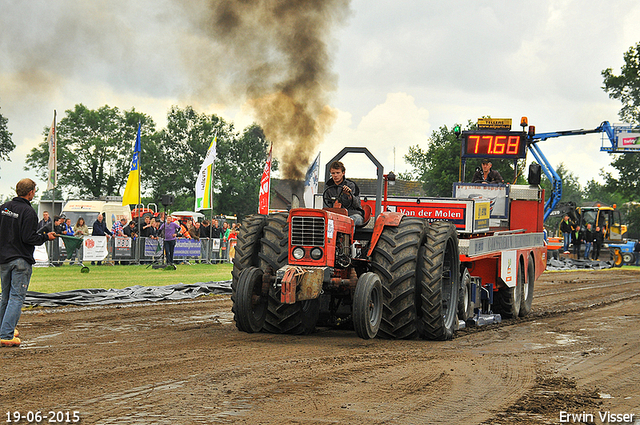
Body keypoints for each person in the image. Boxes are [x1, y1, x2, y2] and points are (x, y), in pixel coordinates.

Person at [0, 179, 56, 347]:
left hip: (3, 258)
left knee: (6, 297)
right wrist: (46, 237)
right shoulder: (29, 212)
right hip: (20, 260)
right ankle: (6, 333)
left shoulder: (4, 207)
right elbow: (28, 238)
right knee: (16, 297)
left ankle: (3, 328)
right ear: (31, 192)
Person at [323, 161, 365, 226]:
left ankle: (347, 236)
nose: (335, 175)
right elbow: (327, 205)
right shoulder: (329, 188)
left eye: (338, 173)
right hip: (336, 215)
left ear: (343, 173)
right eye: (333, 173)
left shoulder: (351, 185)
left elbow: (357, 205)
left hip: (352, 213)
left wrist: (349, 195)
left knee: (349, 221)